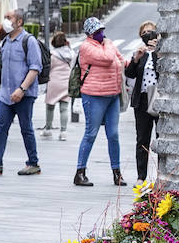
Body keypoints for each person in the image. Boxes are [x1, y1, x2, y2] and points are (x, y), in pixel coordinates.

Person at [0, 9, 42, 176]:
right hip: (5, 94)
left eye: (9, 18)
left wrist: (22, 89)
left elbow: (35, 68)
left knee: (26, 128)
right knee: (1, 127)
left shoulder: (29, 41)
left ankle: (33, 163)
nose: (5, 20)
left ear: (19, 22)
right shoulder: (5, 41)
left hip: (24, 94)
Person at [73, 16, 126, 187]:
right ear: (89, 33)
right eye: (97, 31)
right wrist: (109, 44)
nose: (101, 33)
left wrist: (136, 59)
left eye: (101, 30)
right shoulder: (87, 47)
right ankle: (80, 172)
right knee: (91, 133)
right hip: (94, 95)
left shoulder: (106, 44)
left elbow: (122, 61)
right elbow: (108, 59)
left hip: (113, 95)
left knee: (114, 135)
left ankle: (117, 173)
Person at [124, 20, 161, 184]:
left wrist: (157, 50)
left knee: (161, 138)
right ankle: (141, 176)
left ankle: (162, 174)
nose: (148, 35)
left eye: (151, 32)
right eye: (145, 33)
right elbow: (130, 74)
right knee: (142, 139)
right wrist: (136, 59)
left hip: (159, 99)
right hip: (143, 99)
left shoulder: (160, 53)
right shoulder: (139, 53)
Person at [41, 31, 74, 142]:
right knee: (64, 108)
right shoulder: (71, 54)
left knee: (50, 106)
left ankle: (48, 129)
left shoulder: (52, 55)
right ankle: (63, 132)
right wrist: (69, 46)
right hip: (66, 82)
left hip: (53, 82)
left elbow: (48, 68)